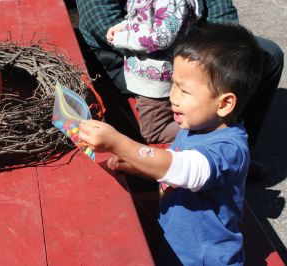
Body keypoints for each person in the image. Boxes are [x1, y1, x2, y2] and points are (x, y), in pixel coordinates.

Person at [79, 23, 263, 264]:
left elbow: (184, 170)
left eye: (184, 91)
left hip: (204, 259)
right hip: (176, 245)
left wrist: (120, 143)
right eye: (173, 83)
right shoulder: (195, 126)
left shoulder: (229, 149)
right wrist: (136, 165)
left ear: (224, 104)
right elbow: (173, 169)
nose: (172, 96)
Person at [76, 0, 284, 146]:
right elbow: (101, 24)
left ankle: (235, 149)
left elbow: (221, 12)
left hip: (185, 46)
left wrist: (219, 55)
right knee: (188, 101)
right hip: (126, 55)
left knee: (266, 56)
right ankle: (220, 133)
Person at [105, 0, 202, 144]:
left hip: (156, 81)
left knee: (154, 132)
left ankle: (209, 127)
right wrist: (123, 27)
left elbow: (162, 37)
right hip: (145, 76)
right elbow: (143, 20)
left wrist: (122, 38)